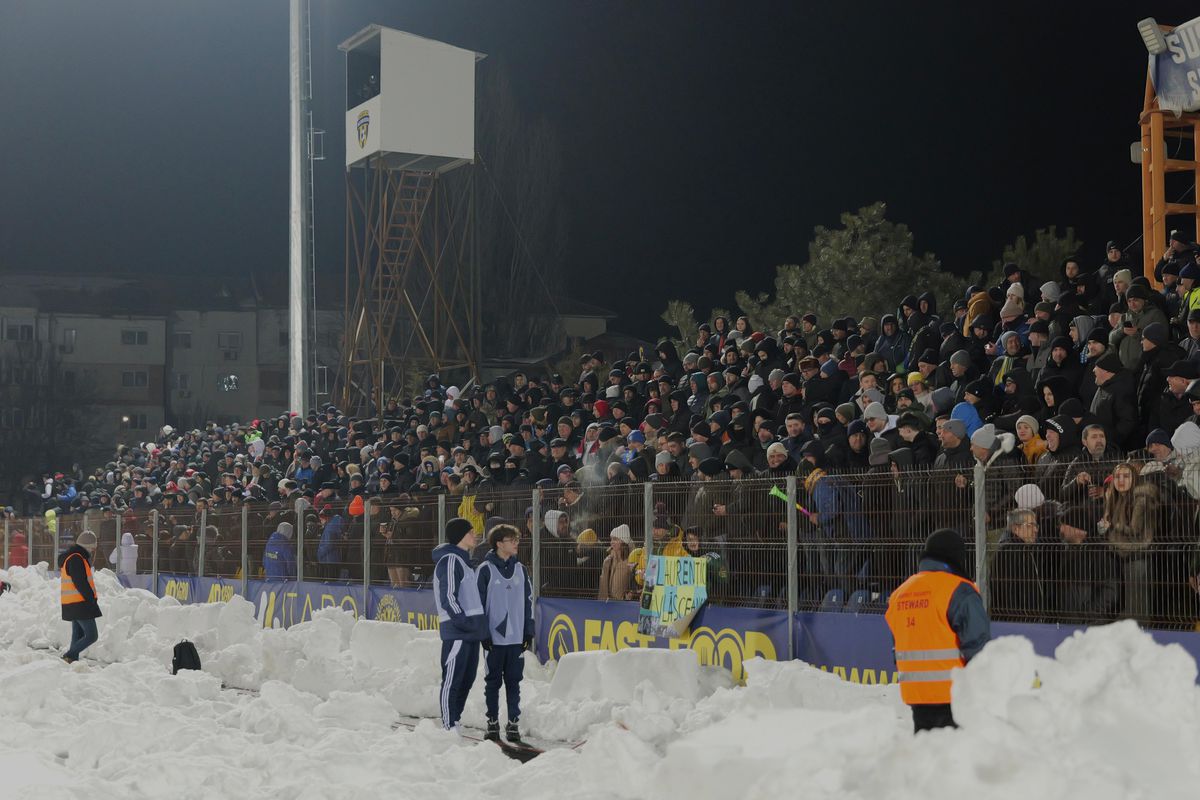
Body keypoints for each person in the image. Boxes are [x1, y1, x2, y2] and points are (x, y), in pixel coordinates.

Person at [885, 529, 990, 732]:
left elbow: (897, 646)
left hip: (916, 696)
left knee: (929, 755)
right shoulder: (959, 590)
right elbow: (978, 646)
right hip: (954, 696)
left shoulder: (900, 594)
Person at [476, 524, 534, 744]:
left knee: (514, 682)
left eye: (517, 539)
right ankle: (492, 722)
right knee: (492, 682)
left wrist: (528, 631)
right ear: (499, 543)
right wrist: (483, 634)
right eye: (512, 540)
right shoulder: (485, 570)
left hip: (516, 639)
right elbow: (478, 605)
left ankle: (513, 723)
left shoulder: (522, 570)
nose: (516, 543)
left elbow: (528, 601)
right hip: (494, 640)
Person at [432, 517, 488, 732]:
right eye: (471, 532)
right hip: (458, 631)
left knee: (467, 678)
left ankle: (455, 719)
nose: (475, 535)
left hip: (471, 632)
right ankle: (448, 724)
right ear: (460, 536)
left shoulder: (465, 562)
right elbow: (449, 597)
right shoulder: (450, 561)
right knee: (452, 679)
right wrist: (463, 622)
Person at [60, 530, 102, 664]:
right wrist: (91, 600)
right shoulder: (76, 559)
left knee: (77, 634)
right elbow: (81, 583)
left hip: (73, 603)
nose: (93, 550)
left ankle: (71, 661)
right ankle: (70, 655)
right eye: (93, 547)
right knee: (91, 635)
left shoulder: (73, 557)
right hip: (80, 603)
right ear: (88, 546)